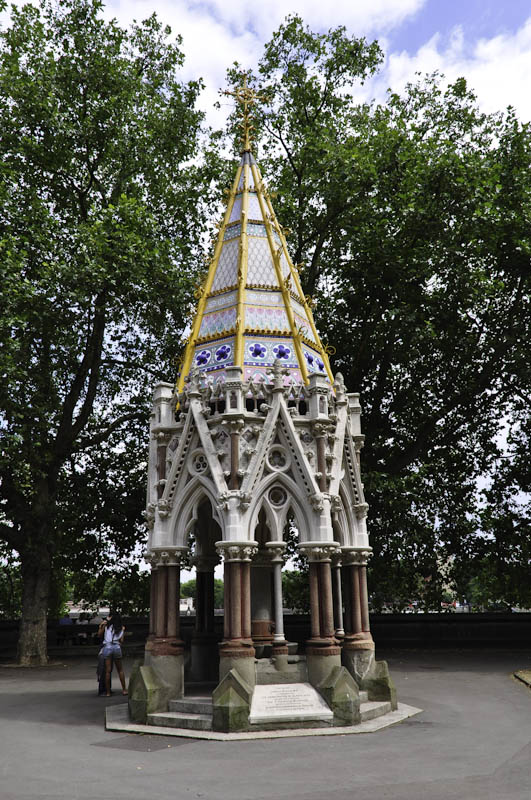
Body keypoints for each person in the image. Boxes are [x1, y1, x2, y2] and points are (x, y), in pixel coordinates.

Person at [101, 611, 127, 696]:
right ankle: (124, 690)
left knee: (108, 671)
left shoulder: (106, 626)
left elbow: (99, 634)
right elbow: (122, 641)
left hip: (107, 647)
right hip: (116, 647)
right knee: (120, 670)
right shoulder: (121, 627)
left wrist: (102, 625)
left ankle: (108, 692)